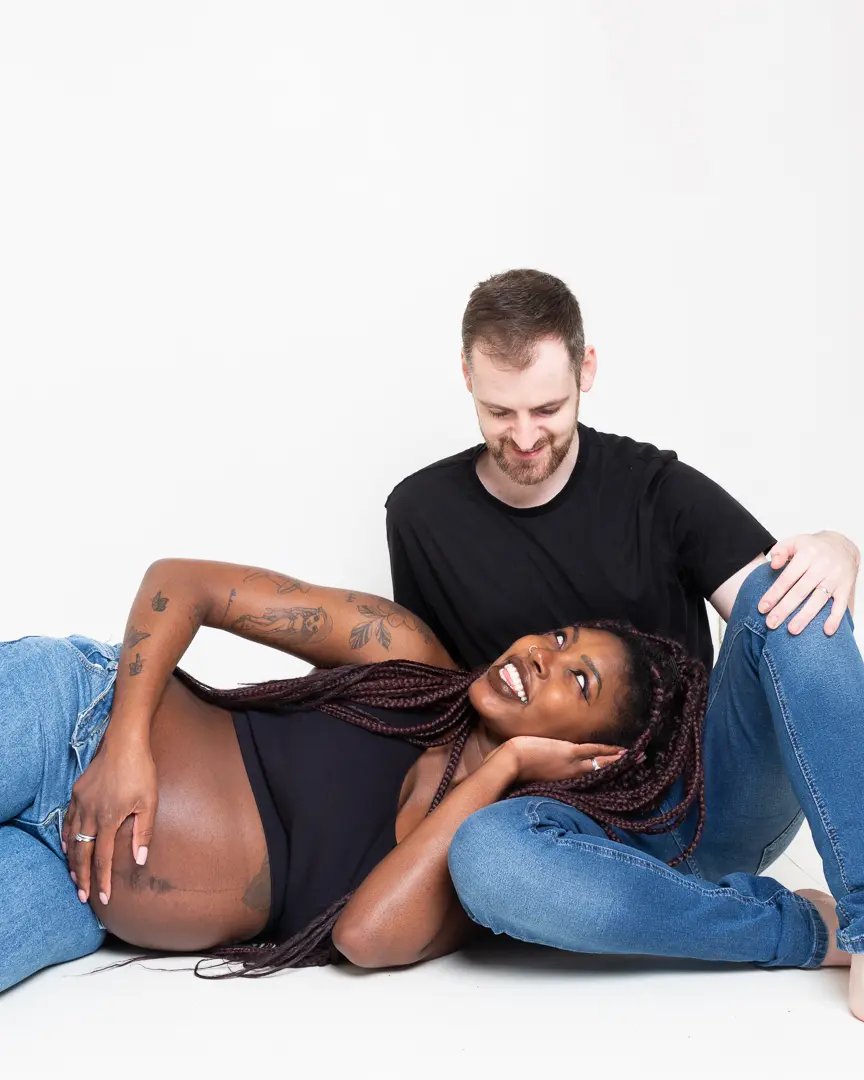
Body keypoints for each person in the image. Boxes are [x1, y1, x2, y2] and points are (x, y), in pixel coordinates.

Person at [2, 560, 863, 1020]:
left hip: (79, 888)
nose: (539, 655)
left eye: (577, 680)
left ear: (595, 756)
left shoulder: (481, 853)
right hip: (74, 718)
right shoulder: (403, 654)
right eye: (561, 636)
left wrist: (497, 770)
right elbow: (179, 582)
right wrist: (122, 749)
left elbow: (367, 938)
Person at [385, 268, 863, 1018]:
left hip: (715, 801)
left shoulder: (655, 488)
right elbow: (431, 696)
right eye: (497, 410)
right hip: (567, 833)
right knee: (486, 861)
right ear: (466, 376)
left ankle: (863, 921)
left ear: (587, 370)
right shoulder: (420, 513)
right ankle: (796, 931)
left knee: (796, 593)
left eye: (547, 406)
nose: (524, 436)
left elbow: (775, 625)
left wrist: (837, 548)